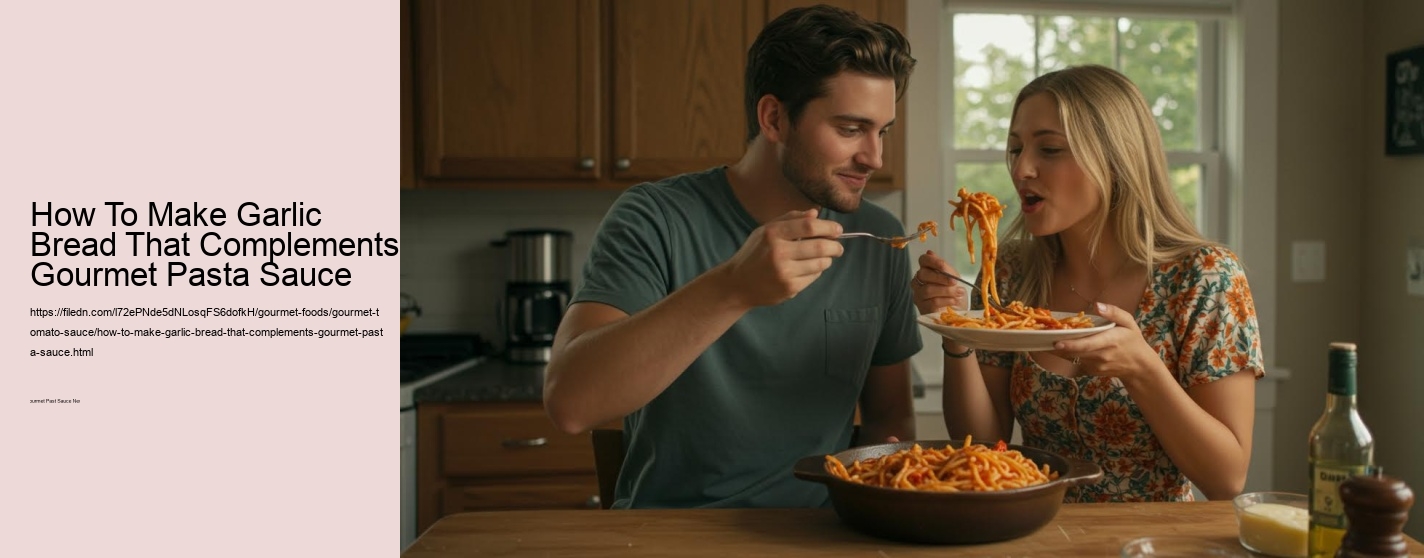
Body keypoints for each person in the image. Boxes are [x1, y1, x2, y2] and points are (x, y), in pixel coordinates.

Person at [542, 5, 920, 509]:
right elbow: (570, 403)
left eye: (883, 131)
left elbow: (890, 421)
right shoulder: (656, 217)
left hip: (820, 537)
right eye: (851, 129)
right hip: (669, 535)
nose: (874, 157)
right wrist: (733, 288)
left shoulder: (880, 238)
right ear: (774, 118)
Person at [913, 65, 1264, 502]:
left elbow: (1226, 479)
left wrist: (1143, 370)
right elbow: (985, 443)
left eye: (1051, 149)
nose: (1022, 168)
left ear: (1115, 159)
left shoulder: (1205, 277)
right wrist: (955, 330)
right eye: (1016, 148)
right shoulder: (1009, 271)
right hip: (1033, 531)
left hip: (1151, 544)